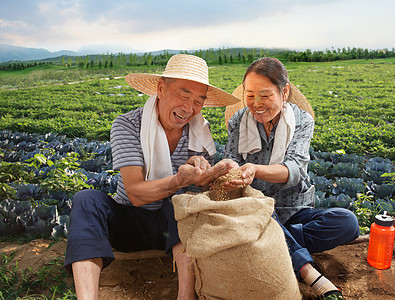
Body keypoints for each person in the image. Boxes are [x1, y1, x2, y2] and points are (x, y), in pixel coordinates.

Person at [64, 54, 239, 300]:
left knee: (182, 198)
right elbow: (135, 193)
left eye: (198, 100)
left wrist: (208, 171)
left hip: (174, 228)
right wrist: (180, 179)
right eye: (183, 94)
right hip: (130, 225)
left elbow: (196, 186)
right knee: (86, 199)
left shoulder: (199, 131)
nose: (189, 108)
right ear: (160, 89)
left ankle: (185, 295)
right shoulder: (127, 125)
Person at [222, 57, 360, 300]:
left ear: (284, 91)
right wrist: (231, 168)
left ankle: (271, 241)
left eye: (265, 96)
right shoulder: (238, 121)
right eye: (250, 95)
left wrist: (254, 168)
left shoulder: (302, 121)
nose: (256, 104)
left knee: (347, 222)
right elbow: (231, 158)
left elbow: (294, 170)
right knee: (261, 211)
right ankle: (308, 271)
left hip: (294, 208)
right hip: (254, 207)